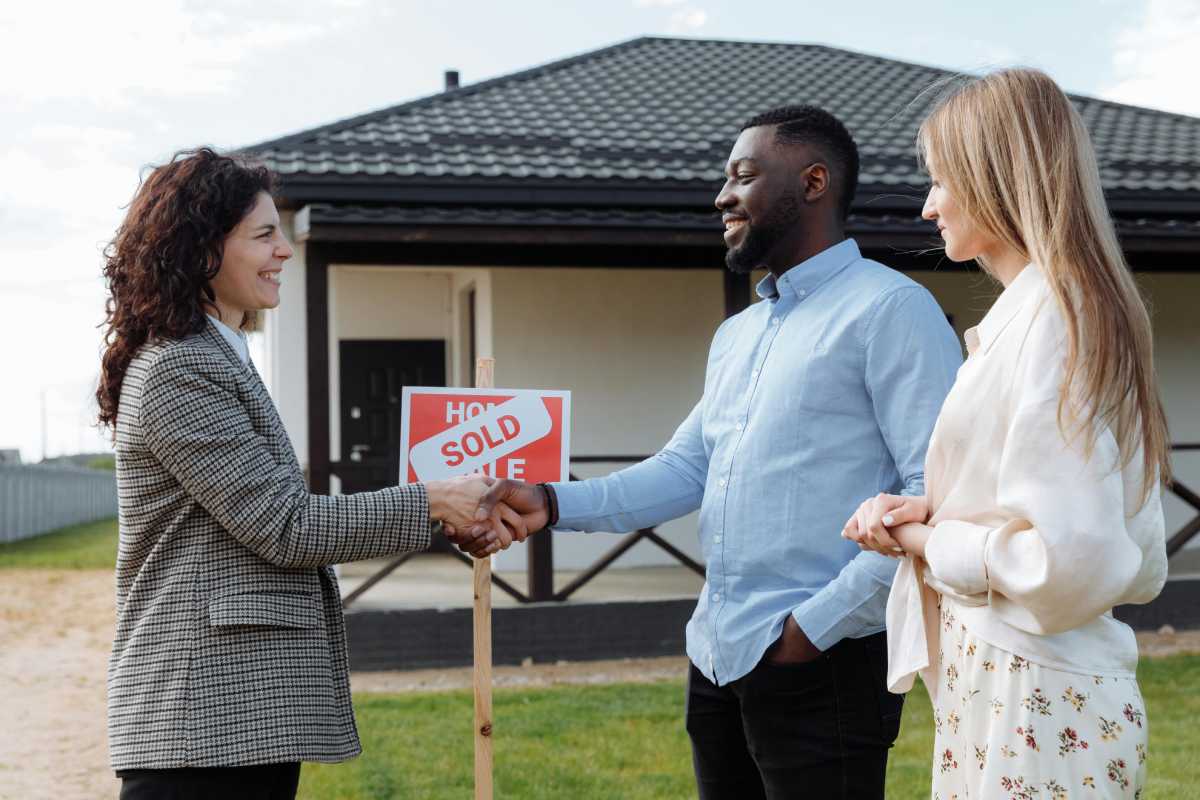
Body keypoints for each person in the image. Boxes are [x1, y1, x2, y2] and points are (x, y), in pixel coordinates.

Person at [460, 106, 963, 799]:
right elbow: (684, 469)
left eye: (744, 176)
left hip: (825, 665)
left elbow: (935, 494)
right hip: (718, 660)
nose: (722, 196)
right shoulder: (737, 334)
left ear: (813, 182)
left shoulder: (892, 311)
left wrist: (811, 631)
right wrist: (548, 502)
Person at [96, 148, 515, 799]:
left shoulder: (215, 356)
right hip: (201, 721)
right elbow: (286, 527)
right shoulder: (182, 368)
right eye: (264, 235)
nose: (284, 251)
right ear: (202, 249)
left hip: (229, 717)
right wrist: (433, 498)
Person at [843, 68, 1169, 799]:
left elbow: (1069, 559)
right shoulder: (1056, 313)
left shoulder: (1055, 319)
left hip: (1037, 696)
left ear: (996, 177)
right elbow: (1107, 536)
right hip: (1016, 684)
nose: (928, 206)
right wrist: (928, 512)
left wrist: (924, 542)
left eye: (940, 180)